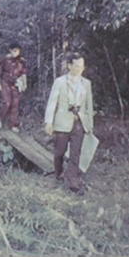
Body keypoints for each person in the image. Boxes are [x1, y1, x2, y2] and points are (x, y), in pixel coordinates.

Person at [44, 53, 94, 193]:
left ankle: (73, 180)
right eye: (76, 66)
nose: (79, 69)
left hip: (79, 122)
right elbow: (52, 102)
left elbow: (89, 106)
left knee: (75, 152)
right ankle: (58, 172)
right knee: (59, 152)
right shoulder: (60, 82)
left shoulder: (86, 84)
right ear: (69, 65)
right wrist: (48, 121)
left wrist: (90, 124)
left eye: (81, 66)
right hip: (62, 122)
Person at [0, 44, 27, 132]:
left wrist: (25, 84)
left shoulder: (21, 61)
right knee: (7, 102)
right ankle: (1, 118)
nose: (15, 53)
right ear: (10, 50)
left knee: (15, 103)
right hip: (5, 82)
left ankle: (13, 124)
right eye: (14, 51)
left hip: (16, 83)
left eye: (17, 51)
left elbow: (24, 73)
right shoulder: (6, 59)